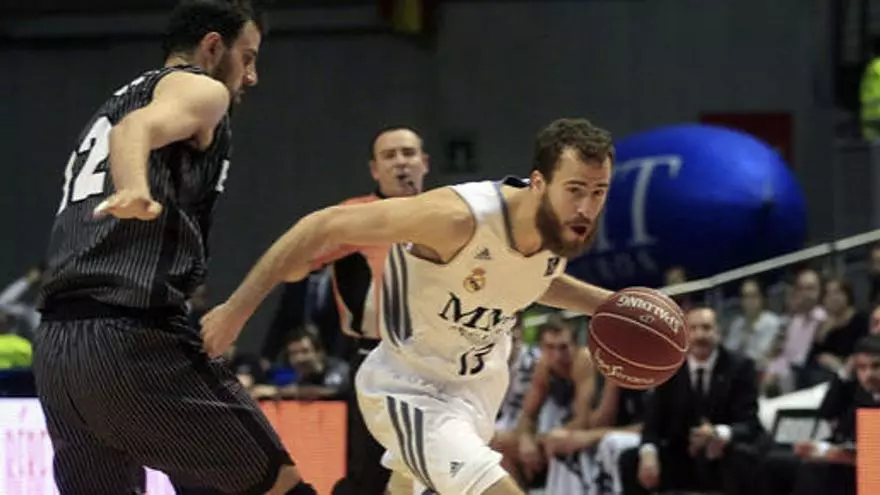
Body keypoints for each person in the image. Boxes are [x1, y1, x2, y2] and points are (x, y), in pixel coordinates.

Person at [201, 117, 617, 495]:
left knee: (403, 487)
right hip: (410, 387)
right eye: (575, 190)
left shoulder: (560, 230)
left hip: (479, 388)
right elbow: (322, 225)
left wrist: (610, 305)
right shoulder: (456, 218)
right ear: (539, 183)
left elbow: (533, 279)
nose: (587, 207)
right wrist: (236, 310)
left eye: (598, 192)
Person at [33, 1, 315, 493]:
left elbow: (127, 126)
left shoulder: (116, 102)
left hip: (59, 350)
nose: (251, 77)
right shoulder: (200, 87)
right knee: (277, 486)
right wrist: (134, 188)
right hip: (130, 337)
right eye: (247, 58)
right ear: (213, 47)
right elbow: (135, 131)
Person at [305, 125, 429, 494]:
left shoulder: (447, 212)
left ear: (425, 162)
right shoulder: (352, 215)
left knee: (438, 469)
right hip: (375, 358)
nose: (400, 163)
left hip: (436, 362)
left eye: (408, 153)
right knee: (369, 473)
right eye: (389, 156)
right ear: (374, 169)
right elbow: (300, 261)